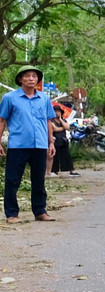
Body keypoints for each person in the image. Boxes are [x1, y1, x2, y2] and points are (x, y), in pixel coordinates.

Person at [0, 66, 57, 223]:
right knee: (12, 180)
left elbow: (48, 121)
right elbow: (2, 120)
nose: (31, 78)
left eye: (34, 76)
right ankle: (12, 213)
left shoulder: (44, 99)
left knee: (39, 180)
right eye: (27, 76)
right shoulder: (10, 98)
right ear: (20, 79)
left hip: (40, 145)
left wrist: (51, 142)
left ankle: (40, 211)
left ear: (38, 80)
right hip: (18, 145)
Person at [50, 101, 78, 177]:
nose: (57, 113)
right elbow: (55, 129)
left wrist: (61, 120)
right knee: (55, 157)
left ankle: (69, 170)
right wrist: (63, 128)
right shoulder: (51, 121)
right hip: (55, 140)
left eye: (58, 111)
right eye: (55, 111)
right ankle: (54, 170)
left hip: (63, 140)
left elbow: (67, 127)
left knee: (66, 156)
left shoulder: (63, 120)